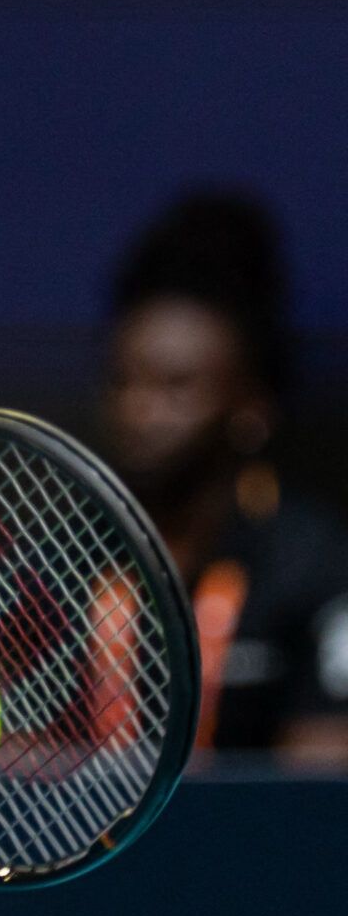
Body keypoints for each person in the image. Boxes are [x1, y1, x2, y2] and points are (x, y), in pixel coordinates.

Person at [101, 190, 348, 766]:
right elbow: (5, 766)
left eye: (176, 388)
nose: (140, 412)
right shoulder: (59, 559)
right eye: (122, 382)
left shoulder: (315, 561)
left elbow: (325, 782)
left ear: (252, 410)